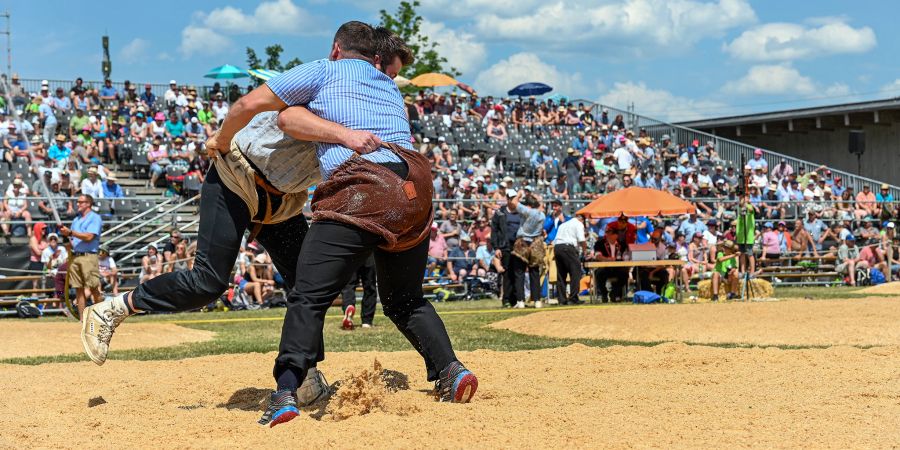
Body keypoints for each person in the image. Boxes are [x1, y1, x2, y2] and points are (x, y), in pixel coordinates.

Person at [59, 194, 102, 317]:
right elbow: (72, 241)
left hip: (88, 256)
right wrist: (65, 236)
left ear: (88, 203)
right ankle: (83, 319)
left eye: (81, 202)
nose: (78, 204)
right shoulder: (76, 220)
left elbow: (89, 237)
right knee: (78, 289)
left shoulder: (95, 218)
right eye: (77, 202)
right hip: (75, 256)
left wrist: (71, 232)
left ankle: (101, 315)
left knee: (93, 287)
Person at [491, 189, 523, 308]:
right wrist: (496, 247)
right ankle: (507, 300)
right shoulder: (500, 213)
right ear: (508, 199)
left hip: (519, 247)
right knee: (507, 274)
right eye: (512, 198)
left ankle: (517, 299)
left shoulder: (521, 212)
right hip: (505, 246)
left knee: (518, 272)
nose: (514, 200)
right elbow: (494, 231)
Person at [552, 215, 586, 305]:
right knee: (575, 273)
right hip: (568, 247)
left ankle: (561, 299)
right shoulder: (579, 224)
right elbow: (581, 239)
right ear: (582, 220)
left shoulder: (563, 224)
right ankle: (573, 298)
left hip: (557, 247)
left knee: (561, 275)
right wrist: (585, 250)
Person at [340, 254, 377, 329]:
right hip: (369, 253)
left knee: (349, 286)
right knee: (370, 287)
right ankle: (367, 321)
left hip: (352, 254)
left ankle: (348, 306)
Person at [593, 229, 627, 302]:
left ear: (616, 235)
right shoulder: (599, 243)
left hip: (617, 268)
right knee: (598, 273)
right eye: (606, 233)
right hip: (605, 267)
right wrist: (608, 259)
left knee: (624, 274)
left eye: (609, 233)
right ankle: (604, 294)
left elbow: (625, 256)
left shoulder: (621, 244)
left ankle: (614, 293)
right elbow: (598, 256)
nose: (606, 234)